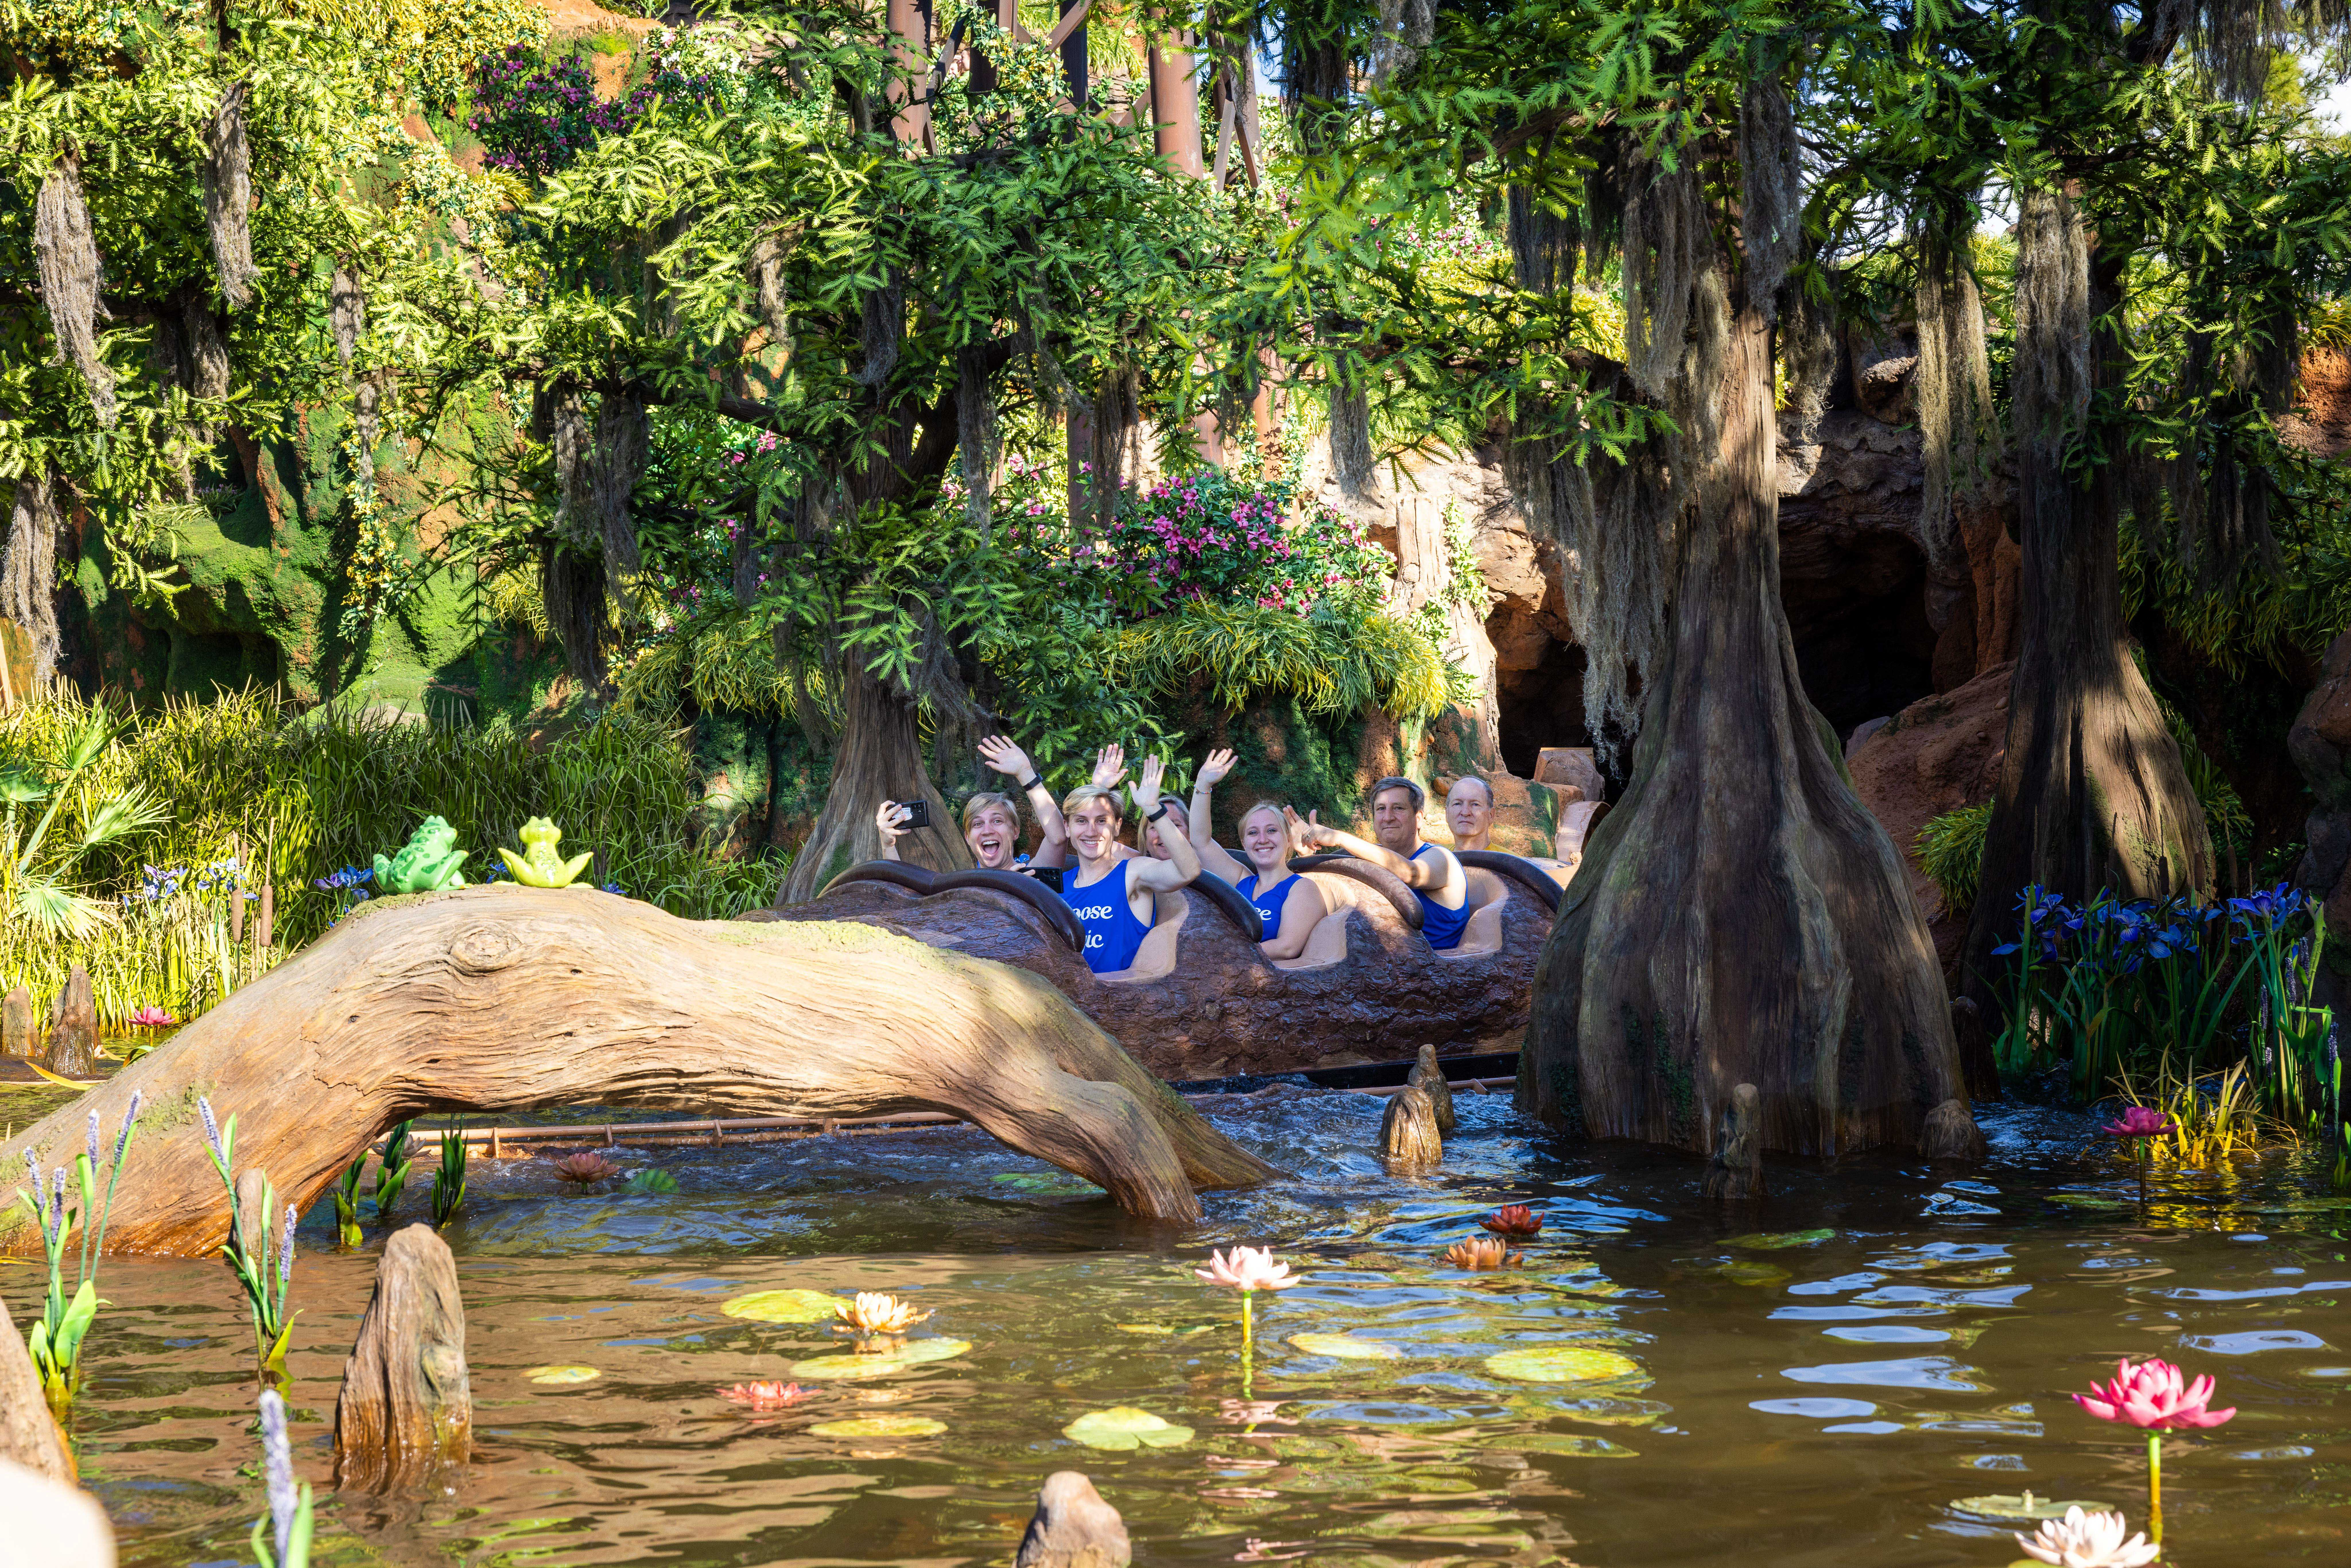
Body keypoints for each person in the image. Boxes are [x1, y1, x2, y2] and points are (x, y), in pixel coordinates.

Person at [1287, 776, 1471, 950]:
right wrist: (1306, 856)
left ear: (1419, 818)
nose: (1388, 817)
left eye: (1398, 808)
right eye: (1381, 809)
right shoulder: (1369, 856)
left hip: (1433, 973)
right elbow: (1327, 897)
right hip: (1377, 968)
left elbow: (1410, 873)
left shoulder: (1441, 858)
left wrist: (1339, 837)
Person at [1059, 753, 1201, 973]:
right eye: (1081, 821)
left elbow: (1189, 871)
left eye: (1101, 821)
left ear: (1117, 827)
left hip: (1118, 999)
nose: (1091, 831)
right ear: (1068, 828)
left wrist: (1153, 809)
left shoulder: (1132, 873)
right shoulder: (1059, 885)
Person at [1186, 749, 1327, 960]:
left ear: (1288, 839)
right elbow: (1201, 842)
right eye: (1253, 833)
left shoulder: (1302, 888)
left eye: (1272, 831)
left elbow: (1287, 948)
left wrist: (1224, 956)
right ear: (1244, 843)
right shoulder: (1241, 882)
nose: (1262, 840)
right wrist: (1203, 785)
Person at [877, 736, 1068, 879]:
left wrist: (1026, 774)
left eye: (998, 821)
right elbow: (899, 893)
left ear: (1015, 831)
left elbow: (1058, 838)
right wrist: (888, 845)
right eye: (978, 824)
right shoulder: (959, 889)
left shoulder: (1032, 876)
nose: (987, 831)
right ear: (968, 838)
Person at [1442, 773, 1495, 851]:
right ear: (1447, 814)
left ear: (1491, 815)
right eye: (1457, 804)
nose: (1465, 812)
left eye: (1475, 805)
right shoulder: (1434, 858)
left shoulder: (1510, 862)